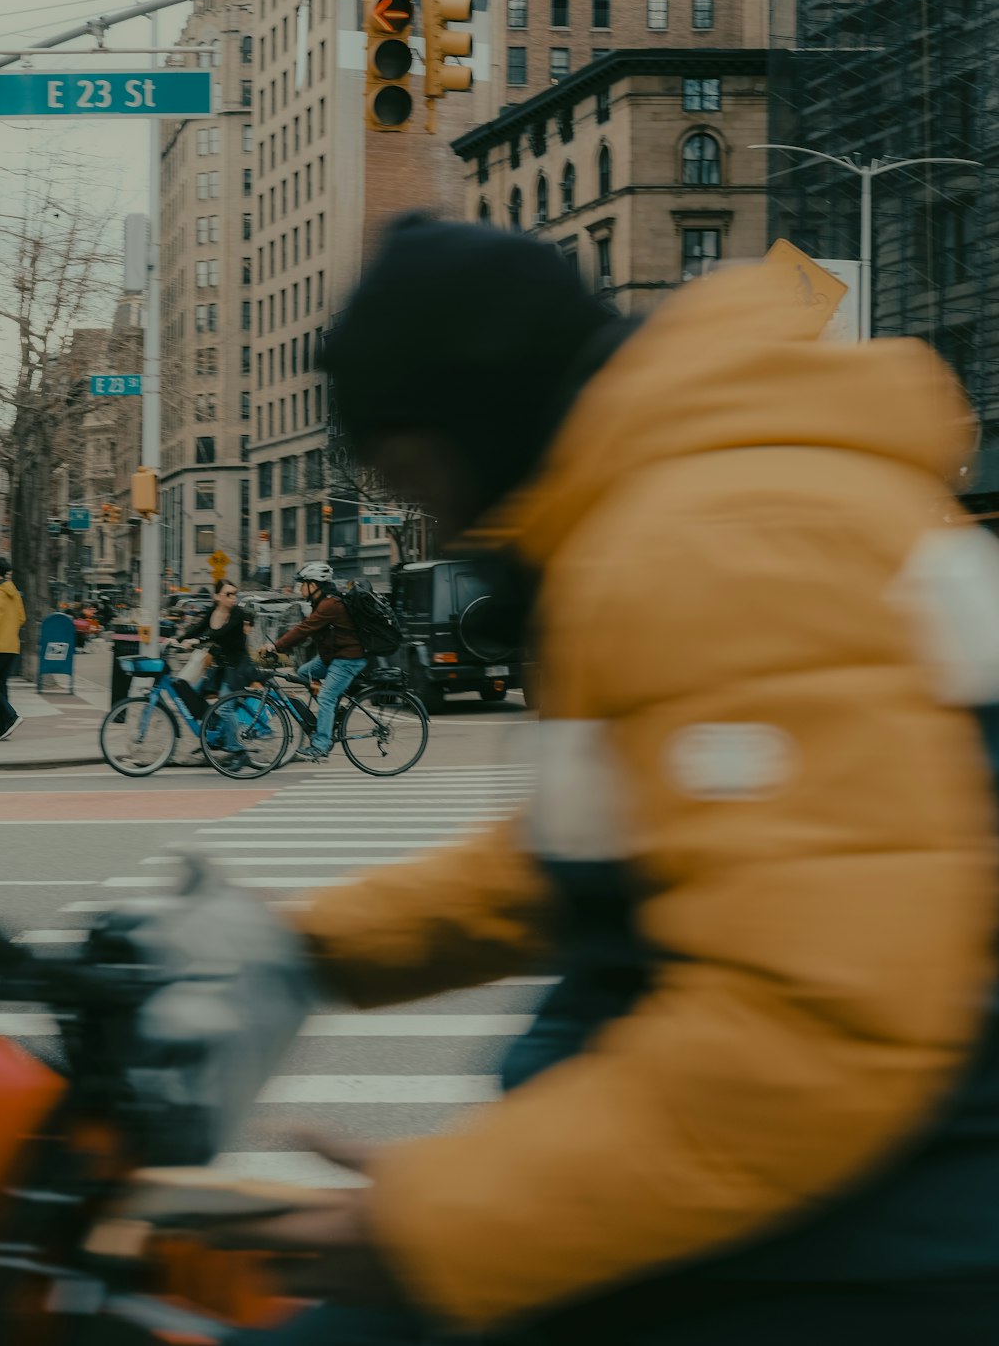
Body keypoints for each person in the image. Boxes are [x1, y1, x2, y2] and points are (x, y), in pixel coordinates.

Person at [208, 216, 999, 1346]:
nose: (428, 515)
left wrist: (437, 1225)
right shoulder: (664, 513)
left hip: (871, 1243)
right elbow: (592, 853)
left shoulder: (726, 537)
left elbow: (808, 1031)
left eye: (407, 471)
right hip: (778, 1198)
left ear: (470, 417)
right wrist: (299, 947)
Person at [259, 562, 366, 762]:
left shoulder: (329, 605)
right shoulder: (321, 603)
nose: (300, 588)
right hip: (332, 657)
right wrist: (285, 649)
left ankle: (320, 746)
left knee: (325, 697)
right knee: (304, 673)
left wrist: (276, 646)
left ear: (314, 585)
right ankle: (334, 713)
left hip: (347, 659)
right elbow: (306, 633)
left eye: (303, 584)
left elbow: (304, 629)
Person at [173, 579, 255, 764]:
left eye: (235, 594)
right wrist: (177, 639)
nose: (233, 598)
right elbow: (198, 627)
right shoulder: (213, 611)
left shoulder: (238, 614)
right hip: (222, 666)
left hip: (238, 667)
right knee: (196, 697)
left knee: (225, 707)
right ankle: (217, 737)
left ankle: (239, 751)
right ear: (217, 596)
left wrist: (198, 641)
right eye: (228, 594)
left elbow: (219, 633)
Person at [0, 557, 26, 740]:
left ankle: (11, 717)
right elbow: (21, 617)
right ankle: (3, 728)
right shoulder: (13, 591)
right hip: (11, 646)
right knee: (1, 684)